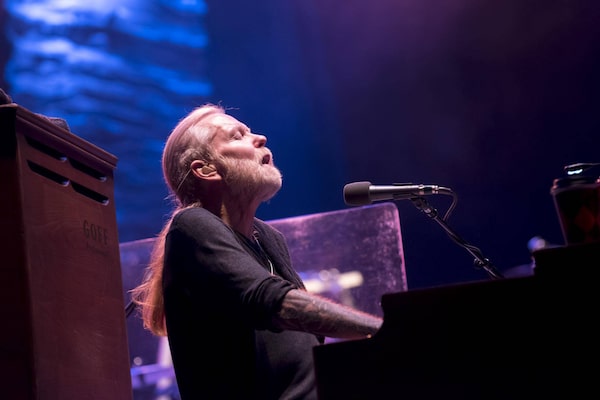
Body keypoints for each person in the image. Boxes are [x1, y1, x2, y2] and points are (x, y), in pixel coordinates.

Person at [131, 104, 383, 399]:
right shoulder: (191, 225)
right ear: (206, 169)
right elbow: (274, 302)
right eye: (237, 136)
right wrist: (385, 330)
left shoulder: (268, 239)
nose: (261, 138)